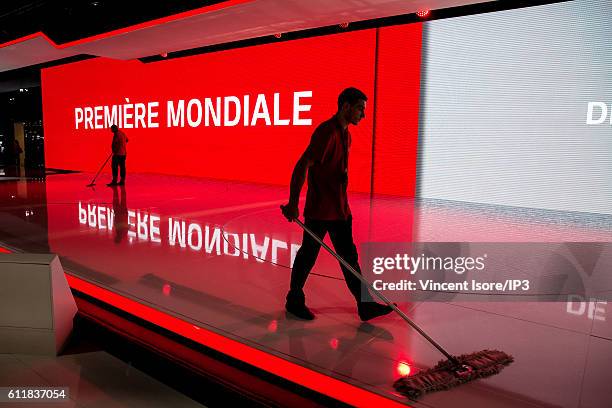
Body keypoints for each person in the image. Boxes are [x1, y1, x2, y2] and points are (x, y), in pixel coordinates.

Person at [281, 87, 394, 321]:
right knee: (308, 255)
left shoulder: (346, 134)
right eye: (360, 109)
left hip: (340, 211)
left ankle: (365, 305)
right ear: (345, 107)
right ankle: (294, 299)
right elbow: (302, 165)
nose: (363, 114)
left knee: (349, 258)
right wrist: (293, 203)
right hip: (321, 211)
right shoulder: (326, 133)